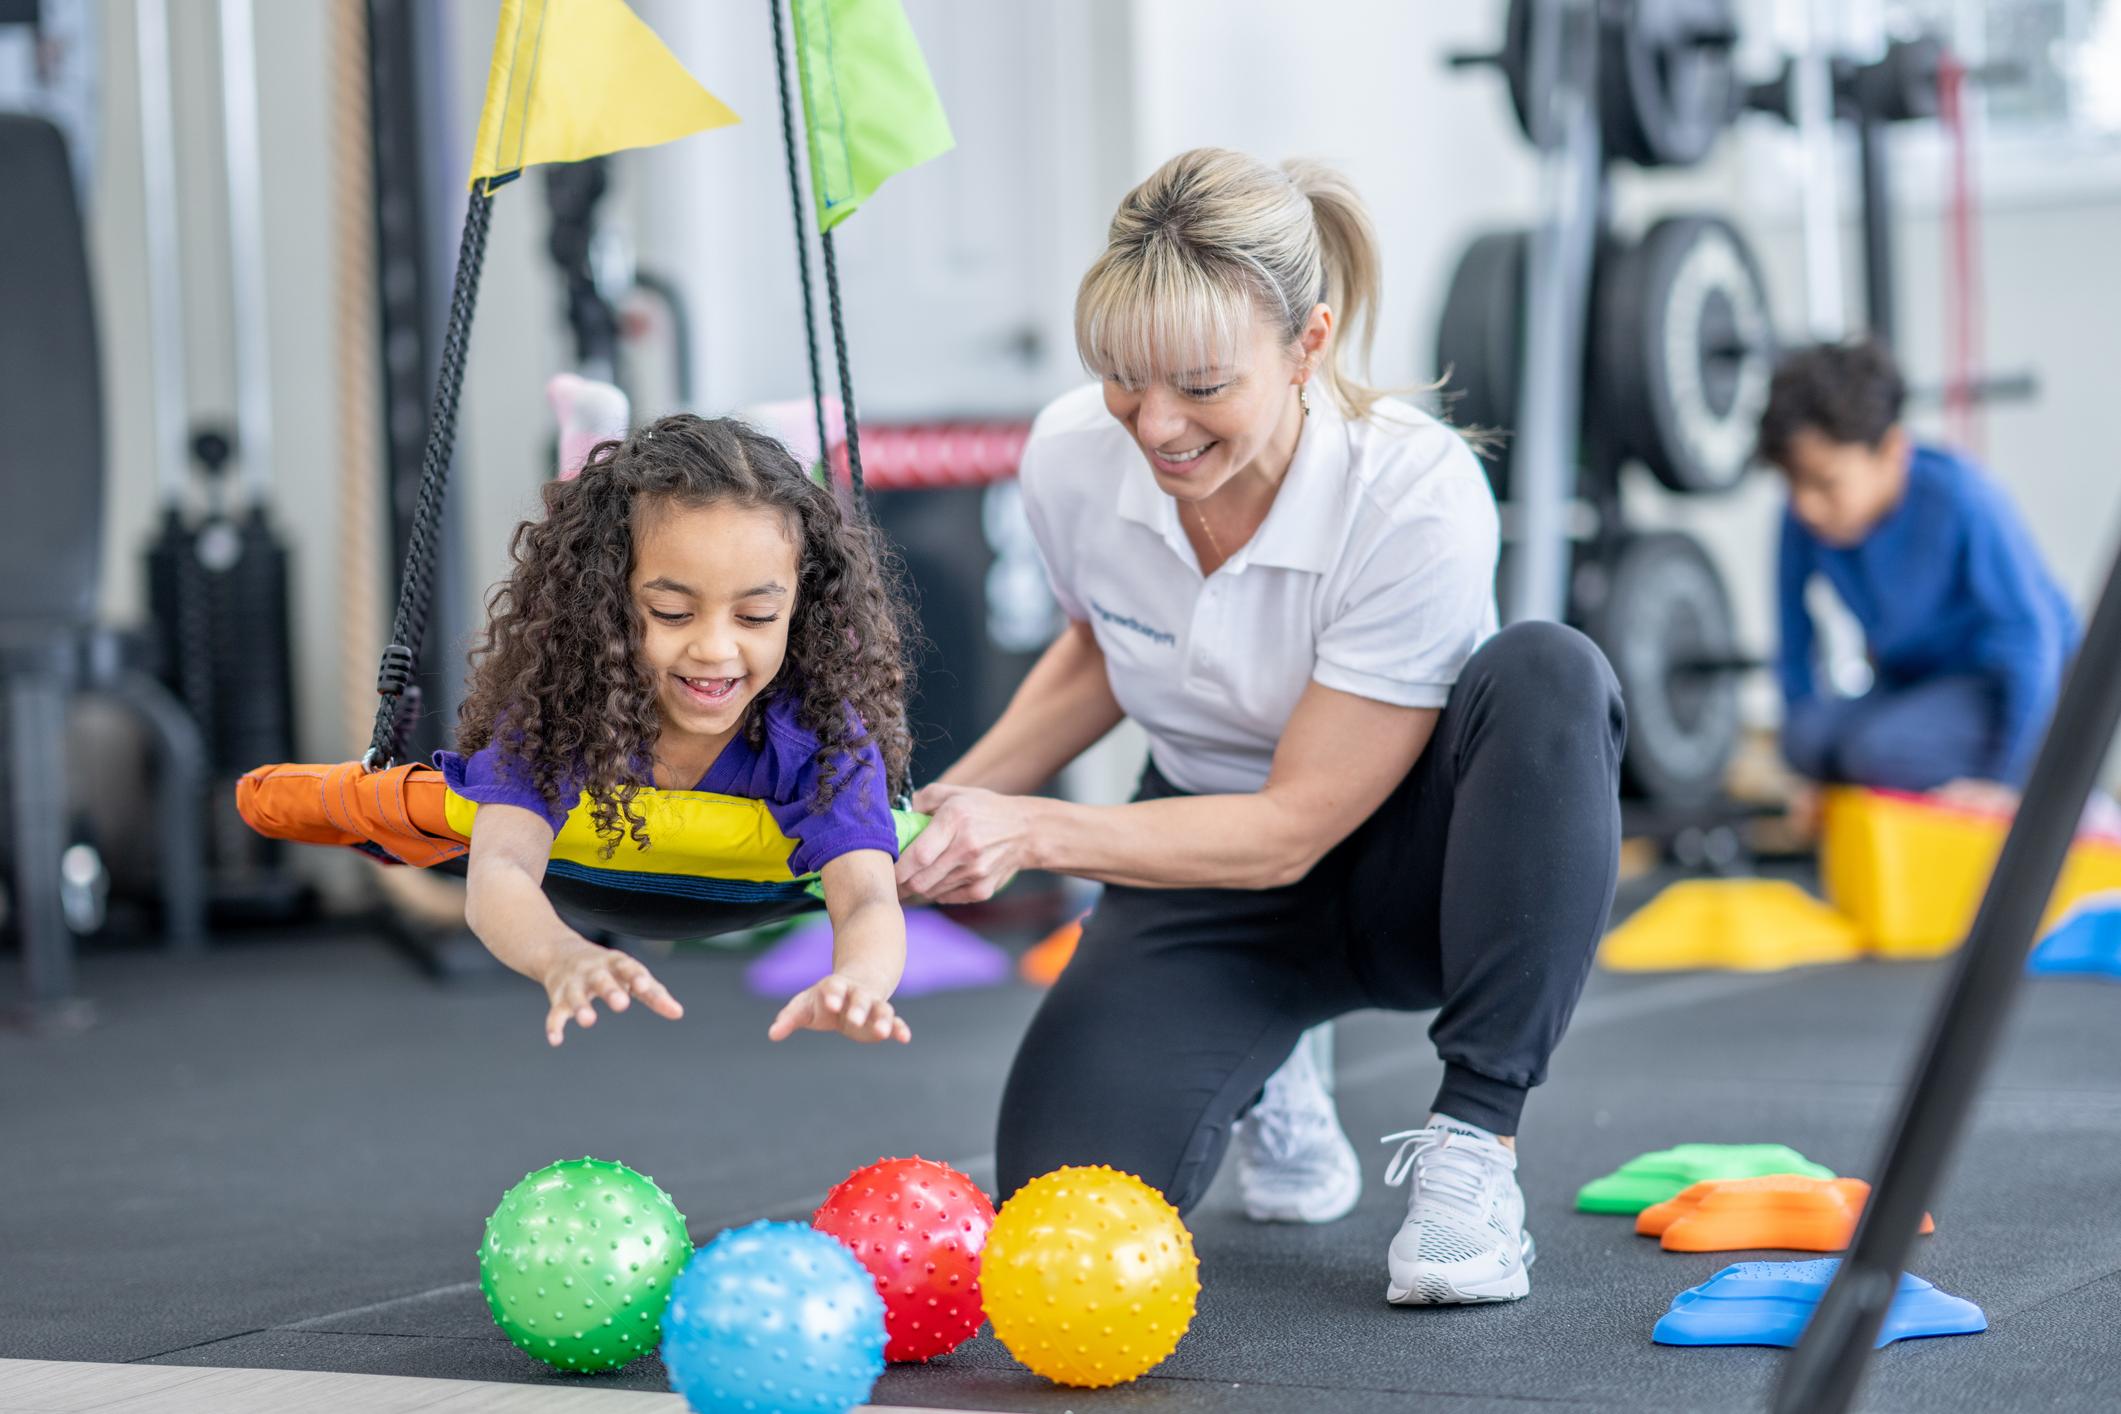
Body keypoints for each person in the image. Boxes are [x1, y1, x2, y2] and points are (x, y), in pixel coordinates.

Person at [894, 148, 1626, 1305]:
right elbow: (1100, 645)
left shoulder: (1413, 492)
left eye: (1200, 384)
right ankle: (1271, 1062)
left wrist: (1026, 831)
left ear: (1308, 346)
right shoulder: (1072, 456)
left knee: (1550, 674)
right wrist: (922, 818)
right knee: (1062, 1207)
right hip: (1203, 872)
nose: (1158, 422)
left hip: (1420, 877)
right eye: (1126, 379)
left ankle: (1474, 1147)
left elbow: (1290, 831)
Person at [436, 414, 918, 1050]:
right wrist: (560, 955)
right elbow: (498, 870)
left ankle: (601, 423)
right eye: (672, 613)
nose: (715, 649)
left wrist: (858, 980)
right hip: (577, 891)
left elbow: (867, 903)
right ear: (604, 604)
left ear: (797, 613)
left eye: (756, 616)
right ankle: (586, 428)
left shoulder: (820, 738)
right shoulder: (562, 715)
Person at [1761, 340, 2079, 811]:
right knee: (1802, 739)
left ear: (1891, 451)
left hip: (2006, 682)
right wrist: (1808, 780)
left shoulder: (1963, 500)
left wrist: (2009, 784)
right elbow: (1793, 647)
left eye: (1826, 483)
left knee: (1876, 752)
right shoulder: (1802, 518)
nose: (1806, 504)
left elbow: (2031, 641)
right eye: (1793, 483)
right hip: (1918, 681)